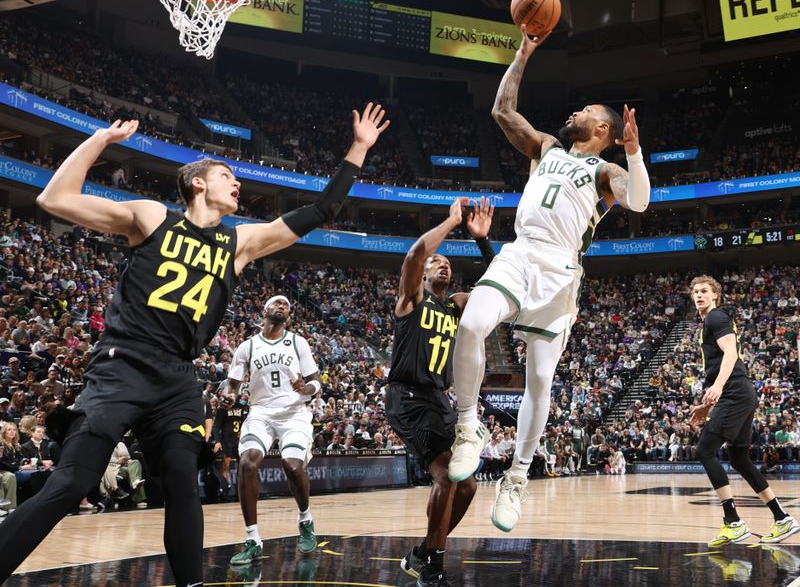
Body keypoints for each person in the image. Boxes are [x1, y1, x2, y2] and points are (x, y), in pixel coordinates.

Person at [0, 103, 389, 586]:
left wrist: (358, 149)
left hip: (178, 377)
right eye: (227, 175)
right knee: (72, 481)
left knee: (184, 482)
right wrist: (100, 140)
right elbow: (55, 199)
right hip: (123, 365)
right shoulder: (152, 217)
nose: (238, 183)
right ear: (198, 183)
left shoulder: (240, 243)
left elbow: (320, 210)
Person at [447, 23, 651, 533]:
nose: (573, 113)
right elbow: (501, 111)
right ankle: (468, 426)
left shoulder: (606, 173)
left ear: (603, 129)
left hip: (561, 270)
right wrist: (522, 52)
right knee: (471, 324)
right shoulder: (546, 148)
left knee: (540, 380)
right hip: (520, 253)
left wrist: (633, 151)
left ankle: (516, 478)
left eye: (583, 112)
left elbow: (642, 202)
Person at [387, 197, 494, 587]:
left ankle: (422, 553)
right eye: (438, 262)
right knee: (448, 476)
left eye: (449, 262)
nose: (444, 263)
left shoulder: (456, 306)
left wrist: (482, 240)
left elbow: (498, 286)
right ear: (424, 274)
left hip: (438, 400)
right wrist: (451, 222)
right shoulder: (411, 300)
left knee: (466, 485)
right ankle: (432, 568)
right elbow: (416, 253)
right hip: (409, 397)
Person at [688, 275, 800, 548]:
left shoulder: (716, 317)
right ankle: (781, 517)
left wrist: (717, 386)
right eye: (695, 292)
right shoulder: (708, 322)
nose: (699, 295)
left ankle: (733, 522)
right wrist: (707, 404)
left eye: (704, 291)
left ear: (715, 295)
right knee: (738, 457)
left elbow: (731, 353)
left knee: (705, 450)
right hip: (738, 392)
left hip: (735, 392)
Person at [223, 295, 322, 565]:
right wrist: (230, 396)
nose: (282, 307)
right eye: (277, 304)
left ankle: (305, 519)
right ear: (264, 309)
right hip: (261, 412)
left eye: (286, 306)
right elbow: (232, 383)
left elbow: (316, 381)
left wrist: (307, 388)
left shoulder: (297, 341)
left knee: (291, 464)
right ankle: (253, 539)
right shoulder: (248, 346)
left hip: (294, 413)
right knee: (247, 463)